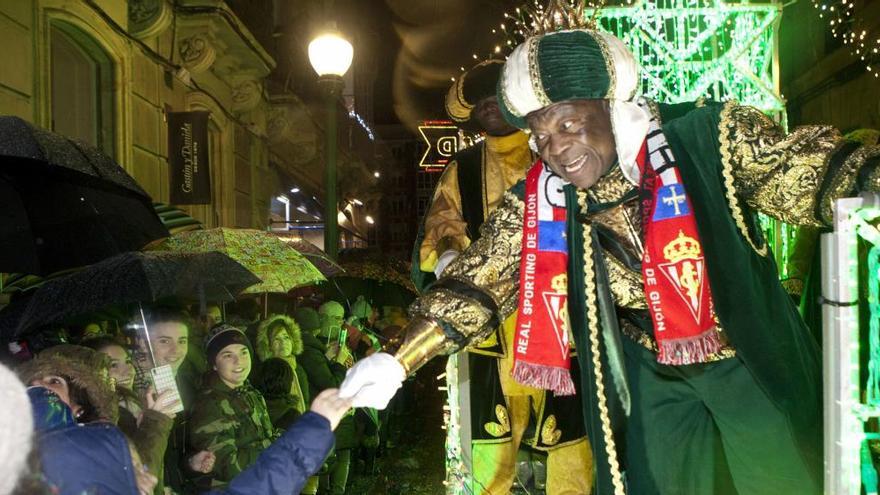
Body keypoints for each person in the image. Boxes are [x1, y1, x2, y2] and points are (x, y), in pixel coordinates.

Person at [341, 6, 880, 494]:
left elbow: (811, 171)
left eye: (568, 124)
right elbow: (481, 277)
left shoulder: (710, 136)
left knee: (784, 480)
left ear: (610, 105)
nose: (556, 149)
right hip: (647, 370)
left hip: (744, 350)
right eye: (541, 135)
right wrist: (397, 359)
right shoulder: (540, 200)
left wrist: (869, 180)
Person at [414, 59, 591, 494]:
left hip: (555, 312)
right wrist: (451, 255)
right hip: (490, 326)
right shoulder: (464, 167)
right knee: (490, 441)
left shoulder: (551, 151)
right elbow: (441, 225)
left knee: (569, 434)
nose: (489, 108)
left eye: (497, 99)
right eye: (480, 103)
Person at [188, 324, 277, 490]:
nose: (239, 361)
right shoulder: (208, 405)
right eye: (228, 355)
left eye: (244, 352)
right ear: (213, 364)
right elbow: (228, 467)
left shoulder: (250, 391)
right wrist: (275, 446)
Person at [84, 336, 180, 484]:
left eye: (128, 362)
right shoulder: (102, 418)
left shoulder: (132, 403)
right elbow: (136, 478)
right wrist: (155, 422)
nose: (128, 371)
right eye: (113, 365)